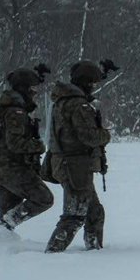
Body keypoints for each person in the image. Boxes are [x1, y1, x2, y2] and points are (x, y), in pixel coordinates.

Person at [45, 61, 113, 252]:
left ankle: (93, 249)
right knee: (74, 215)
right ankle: (52, 253)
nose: (93, 87)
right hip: (75, 166)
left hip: (70, 164)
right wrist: (105, 134)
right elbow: (89, 137)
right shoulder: (78, 105)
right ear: (86, 82)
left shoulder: (63, 101)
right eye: (92, 83)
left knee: (94, 213)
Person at [0, 65, 54, 234]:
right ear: (23, 88)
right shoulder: (15, 112)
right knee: (44, 198)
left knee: (7, 212)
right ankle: (4, 226)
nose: (34, 93)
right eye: (31, 89)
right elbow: (15, 144)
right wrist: (38, 146)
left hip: (2, 168)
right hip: (13, 169)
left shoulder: (4, 109)